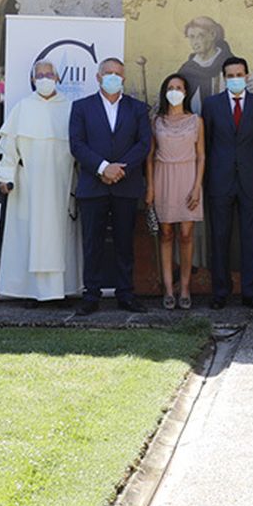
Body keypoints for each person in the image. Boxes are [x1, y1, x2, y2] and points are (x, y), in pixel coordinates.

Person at [0, 60, 82, 306]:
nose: (44, 78)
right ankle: (31, 292)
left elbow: (80, 149)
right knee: (29, 238)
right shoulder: (22, 108)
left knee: (60, 238)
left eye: (49, 74)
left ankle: (62, 290)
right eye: (39, 75)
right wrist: (5, 176)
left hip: (62, 186)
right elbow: (8, 149)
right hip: (28, 186)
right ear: (32, 79)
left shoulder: (71, 109)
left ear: (58, 78)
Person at [70, 57, 153, 314]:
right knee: (92, 243)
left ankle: (126, 294)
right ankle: (91, 295)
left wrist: (120, 169)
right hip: (93, 185)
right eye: (108, 73)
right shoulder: (81, 107)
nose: (113, 77)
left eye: (118, 74)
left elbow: (143, 144)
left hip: (125, 185)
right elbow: (77, 144)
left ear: (124, 78)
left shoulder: (137, 108)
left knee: (124, 242)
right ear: (98, 77)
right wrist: (103, 167)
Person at [200, 55, 253, 309]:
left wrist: (246, 162)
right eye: (230, 76)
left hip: (249, 180)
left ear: (247, 76)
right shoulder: (212, 105)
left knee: (250, 237)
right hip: (220, 180)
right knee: (219, 237)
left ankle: (250, 293)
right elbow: (207, 141)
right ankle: (220, 292)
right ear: (224, 78)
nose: (235, 79)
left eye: (239, 75)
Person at [147, 73, 204, 310]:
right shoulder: (156, 121)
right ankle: (169, 289)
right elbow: (149, 156)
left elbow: (201, 155)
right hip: (163, 177)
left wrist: (197, 186)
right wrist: (150, 187)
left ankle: (186, 287)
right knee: (166, 233)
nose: (175, 92)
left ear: (186, 92)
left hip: (188, 177)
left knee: (187, 234)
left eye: (179, 88)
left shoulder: (196, 121)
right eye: (170, 87)